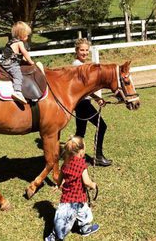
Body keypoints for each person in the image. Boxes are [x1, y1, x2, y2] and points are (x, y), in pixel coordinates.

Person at [45, 136, 99, 241]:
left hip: (71, 198)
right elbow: (86, 182)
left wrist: (58, 185)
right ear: (81, 152)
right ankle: (55, 236)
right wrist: (93, 185)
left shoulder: (65, 164)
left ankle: (85, 228)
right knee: (63, 220)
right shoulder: (81, 165)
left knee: (84, 212)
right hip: (74, 200)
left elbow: (60, 176)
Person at [73, 38, 112, 167]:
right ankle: (98, 157)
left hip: (83, 103)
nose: (84, 52)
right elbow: (84, 87)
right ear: (76, 50)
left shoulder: (80, 65)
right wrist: (96, 97)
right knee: (102, 126)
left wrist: (96, 98)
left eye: (86, 50)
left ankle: (73, 156)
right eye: (82, 50)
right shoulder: (78, 66)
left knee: (80, 132)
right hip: (83, 104)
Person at [0, 21, 35, 104]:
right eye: (26, 34)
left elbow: (18, 55)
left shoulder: (11, 41)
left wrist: (24, 60)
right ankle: (17, 91)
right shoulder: (19, 43)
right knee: (18, 75)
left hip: (4, 61)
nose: (28, 36)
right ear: (21, 34)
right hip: (10, 63)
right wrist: (31, 62)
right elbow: (25, 53)